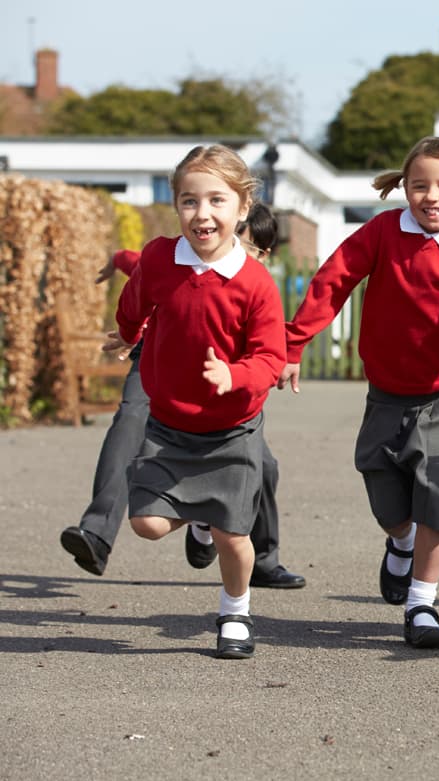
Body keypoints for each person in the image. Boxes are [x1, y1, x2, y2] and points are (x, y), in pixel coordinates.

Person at [277, 136, 439, 649]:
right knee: (388, 502)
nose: (431, 197)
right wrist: (293, 343)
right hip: (387, 394)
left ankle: (422, 605)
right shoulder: (384, 232)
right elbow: (332, 281)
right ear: (404, 188)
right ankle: (401, 543)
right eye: (419, 185)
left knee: (438, 498)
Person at [59, 203, 306, 590]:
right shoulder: (177, 258)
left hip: (223, 379)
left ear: (263, 253)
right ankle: (97, 532)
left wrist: (269, 365)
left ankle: (258, 557)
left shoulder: (253, 286)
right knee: (129, 424)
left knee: (265, 466)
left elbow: (270, 348)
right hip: (162, 361)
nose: (230, 248)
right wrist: (116, 262)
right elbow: (139, 265)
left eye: (247, 246)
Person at [107, 144, 286, 659]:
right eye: (189, 201)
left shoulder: (254, 283)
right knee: (146, 524)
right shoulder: (161, 257)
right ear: (176, 205)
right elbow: (136, 298)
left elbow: (270, 356)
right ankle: (200, 519)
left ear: (242, 206)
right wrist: (126, 332)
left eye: (216, 201)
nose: (202, 214)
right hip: (168, 425)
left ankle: (235, 613)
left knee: (234, 536)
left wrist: (236, 374)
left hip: (232, 429)